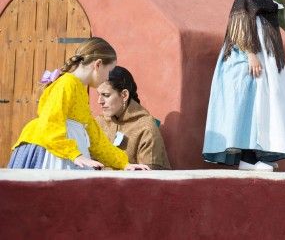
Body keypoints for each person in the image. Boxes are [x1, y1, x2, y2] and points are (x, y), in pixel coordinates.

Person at [203, 0, 285, 171]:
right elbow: (238, 25)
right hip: (243, 60)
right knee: (246, 106)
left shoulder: (266, 0)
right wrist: (250, 54)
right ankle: (246, 158)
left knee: (262, 106)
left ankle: (256, 153)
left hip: (262, 61)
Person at [8, 37, 150, 170]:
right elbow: (51, 124)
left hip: (67, 154)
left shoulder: (79, 89)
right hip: (51, 153)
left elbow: (95, 137)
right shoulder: (67, 83)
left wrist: (124, 163)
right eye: (109, 71)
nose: (108, 77)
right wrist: (76, 155)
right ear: (98, 64)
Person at [96, 66, 171, 170]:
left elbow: (149, 175)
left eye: (106, 95)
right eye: (98, 95)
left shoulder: (146, 128)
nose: (99, 101)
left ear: (124, 95)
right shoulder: (98, 123)